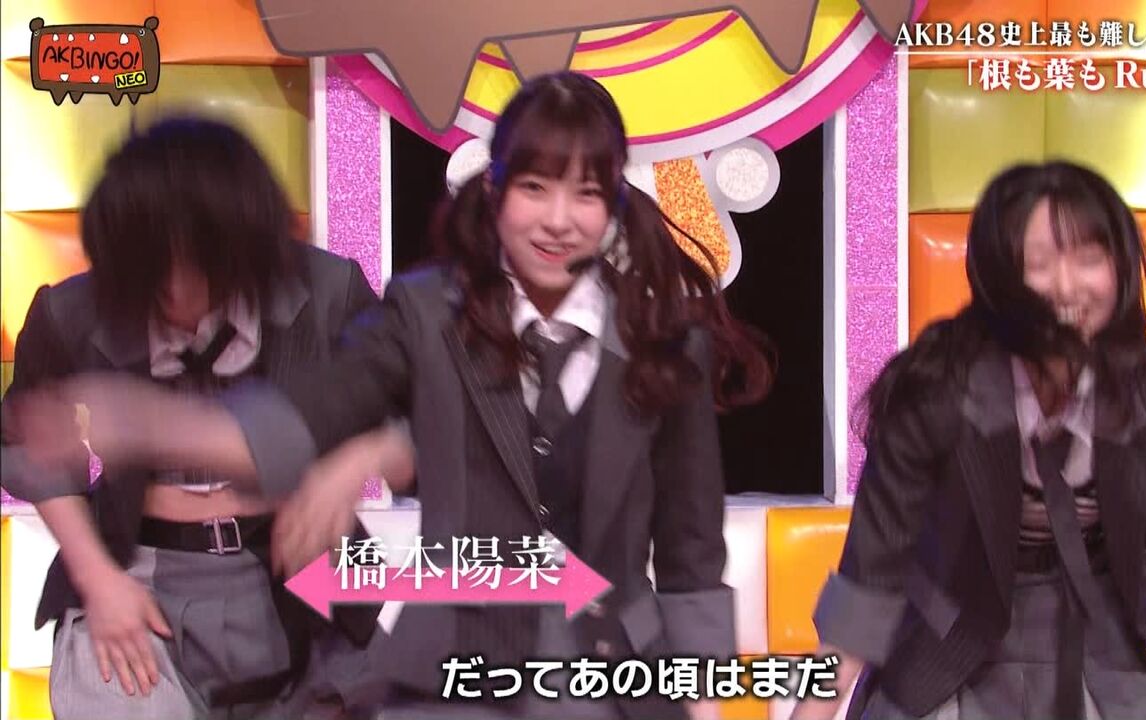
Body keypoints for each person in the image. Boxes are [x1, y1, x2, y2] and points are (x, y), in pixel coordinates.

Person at [11, 72, 775, 720]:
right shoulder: (427, 312)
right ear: (495, 193)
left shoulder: (667, 342)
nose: (556, 219)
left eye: (585, 193)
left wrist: (699, 696)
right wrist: (146, 430)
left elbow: (691, 554)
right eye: (534, 187)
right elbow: (303, 419)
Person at [0, 116, 405, 719]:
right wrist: (96, 577)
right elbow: (24, 446)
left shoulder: (328, 290)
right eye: (143, 266)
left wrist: (345, 470)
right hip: (136, 569)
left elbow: (416, 409)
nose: (169, 288)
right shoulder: (73, 311)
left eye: (192, 262)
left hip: (302, 567)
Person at [791, 161, 1146, 720]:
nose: (1066, 286)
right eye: (1038, 263)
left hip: (1098, 638)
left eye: (1088, 258)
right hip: (949, 639)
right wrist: (813, 710)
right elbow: (869, 578)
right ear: (997, 277)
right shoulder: (932, 388)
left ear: (1121, 266)